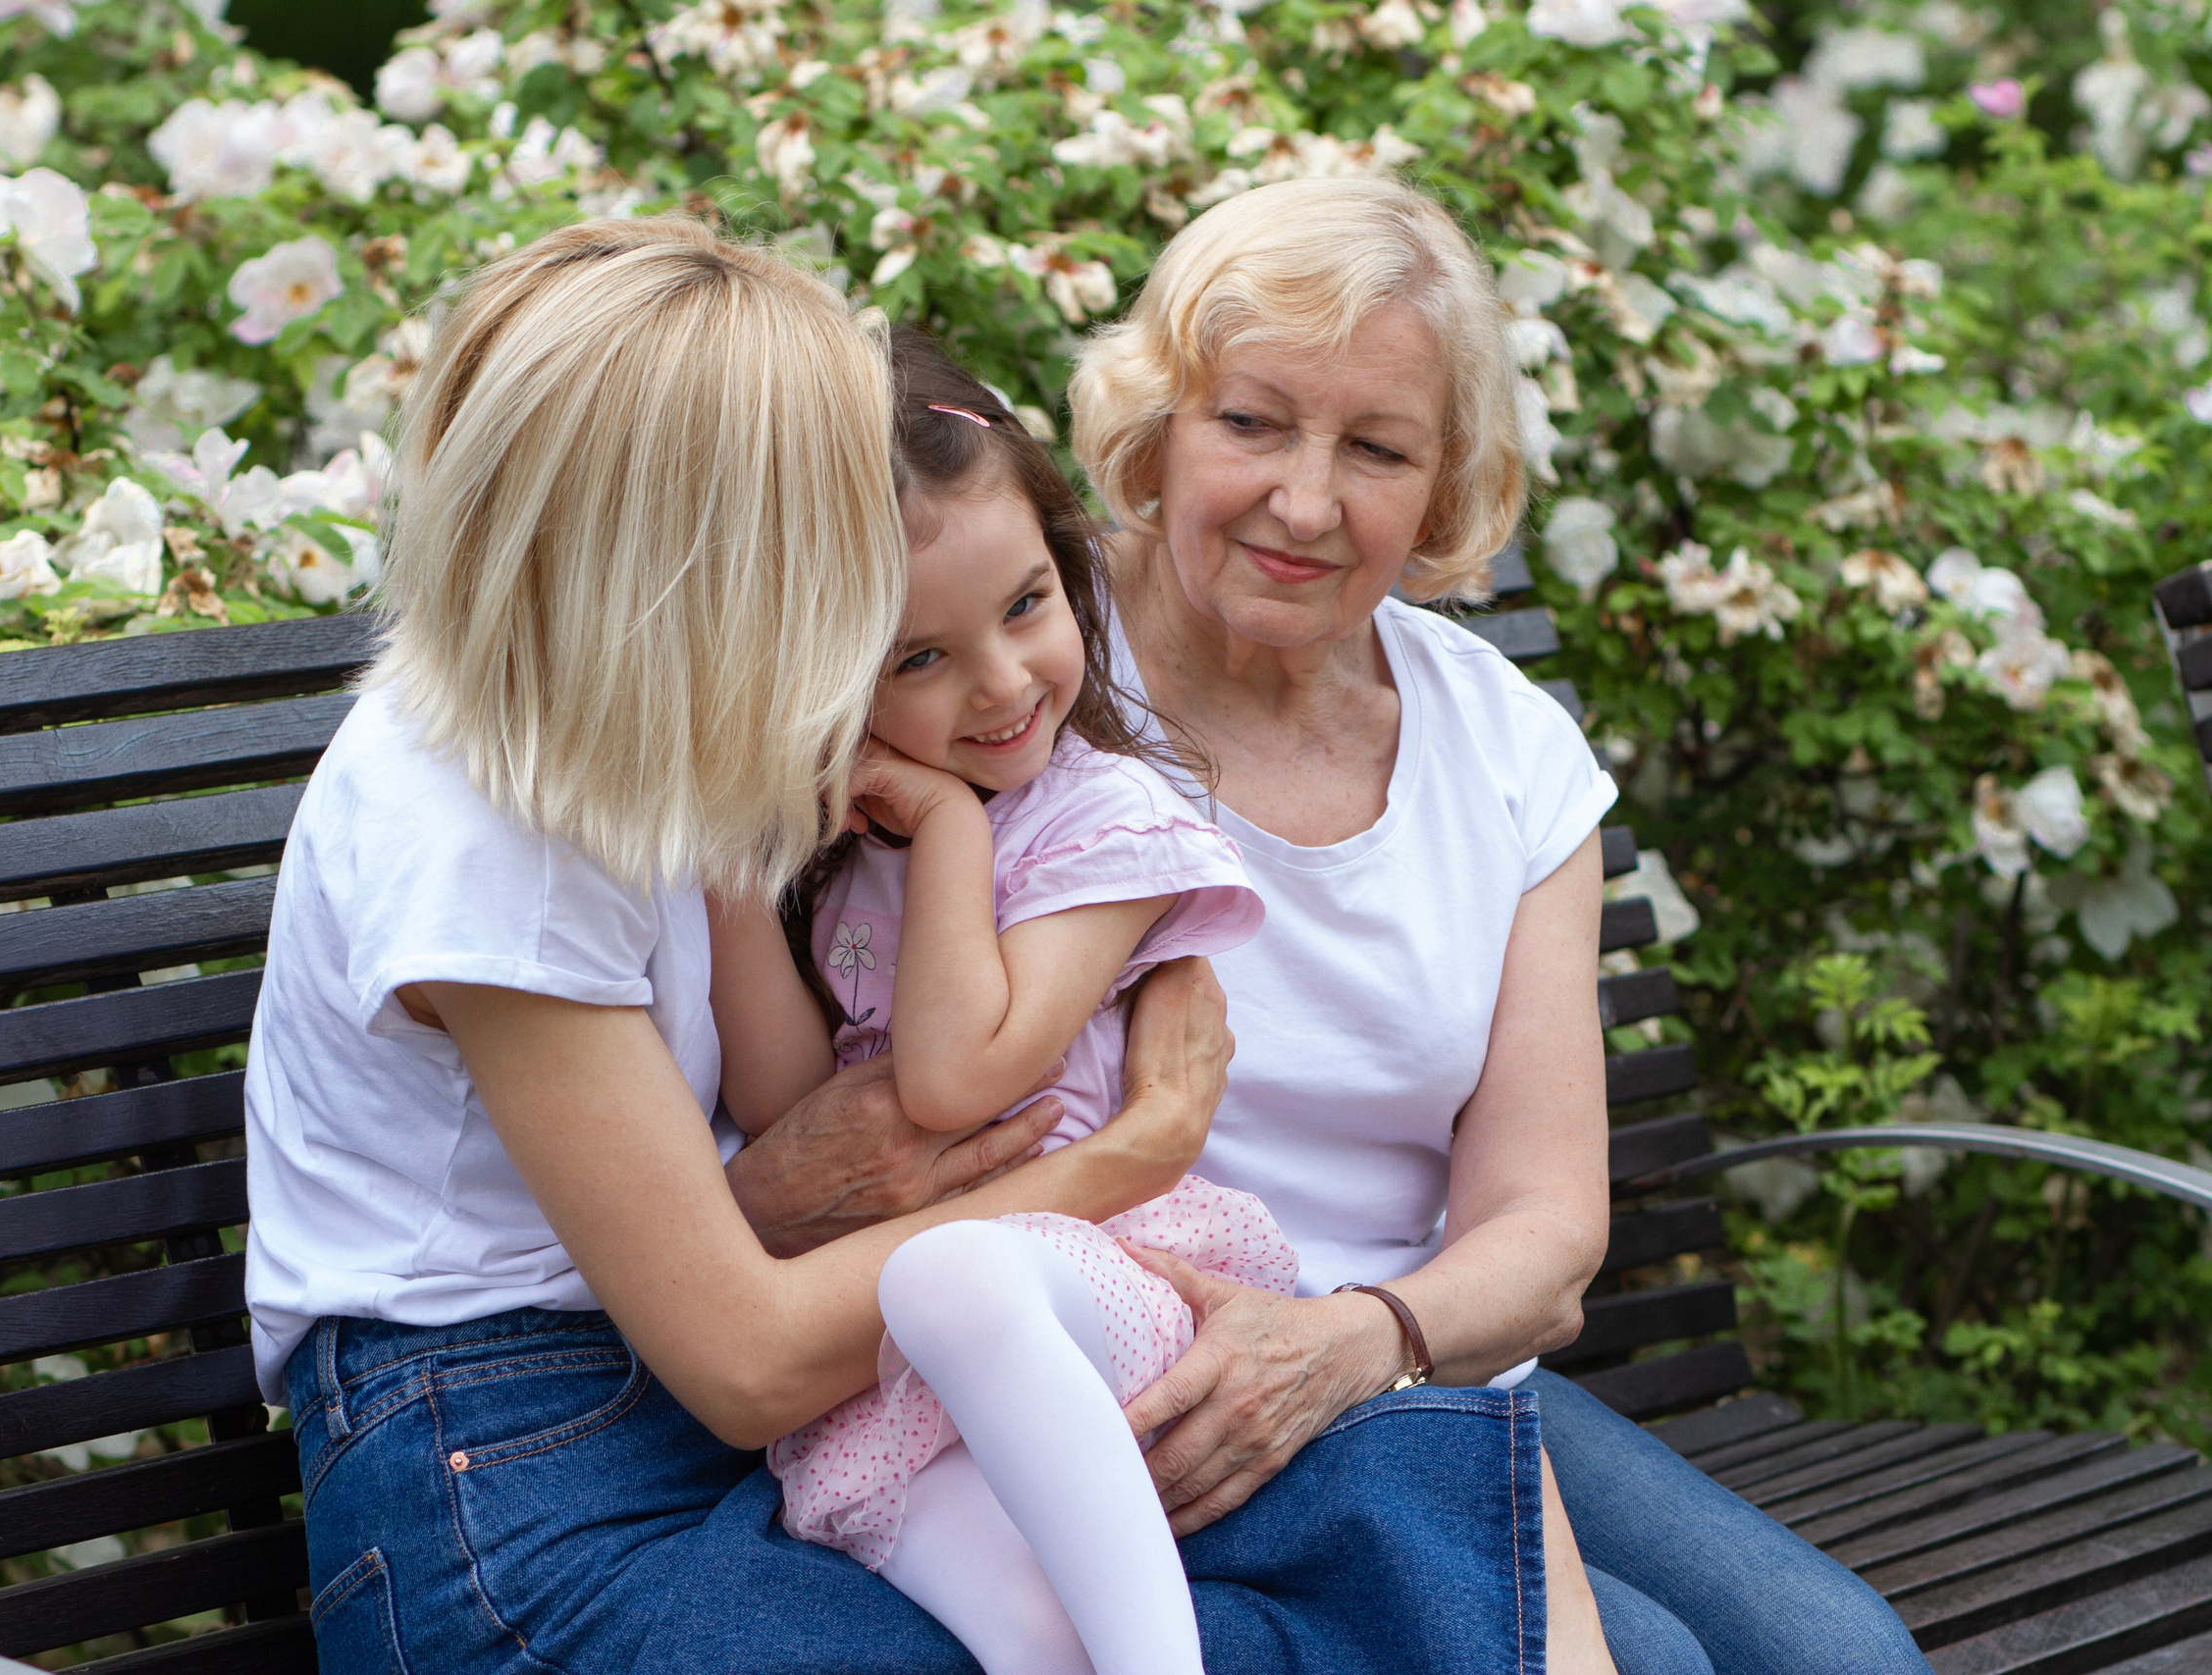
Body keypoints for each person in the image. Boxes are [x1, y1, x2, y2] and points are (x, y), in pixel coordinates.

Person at [243, 217, 1559, 1675]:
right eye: (810, 506)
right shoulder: (475, 824)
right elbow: (747, 1359)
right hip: (518, 1468)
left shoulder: (668, 714)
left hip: (738, 1397)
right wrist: (1130, 1155)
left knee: (1397, 1582)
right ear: (666, 535)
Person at [1056, 175, 1936, 1675]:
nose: (1306, 502)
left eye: (1377, 448)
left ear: (1446, 486)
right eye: (1251, 421)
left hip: (1411, 1358)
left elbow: (1543, 1225)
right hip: (1145, 1373)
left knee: (1841, 1659)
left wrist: (1360, 1338)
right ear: (1157, 425)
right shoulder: (1033, 678)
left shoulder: (1507, 750)